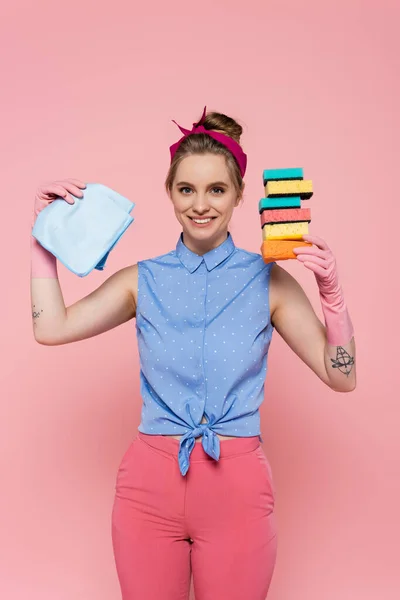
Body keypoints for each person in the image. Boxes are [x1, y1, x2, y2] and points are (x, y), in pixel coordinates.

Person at [30, 106, 356, 600]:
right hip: (147, 491)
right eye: (187, 189)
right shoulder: (144, 279)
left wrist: (333, 298)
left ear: (239, 196)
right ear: (170, 193)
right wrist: (44, 240)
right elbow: (52, 328)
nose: (200, 205)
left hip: (237, 491)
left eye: (216, 190)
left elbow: (342, 377)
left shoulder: (268, 280)